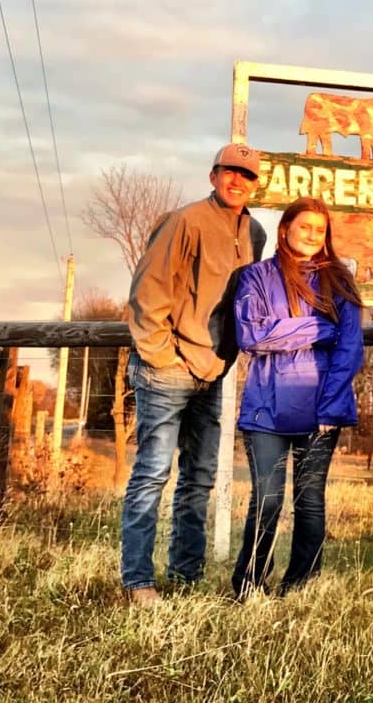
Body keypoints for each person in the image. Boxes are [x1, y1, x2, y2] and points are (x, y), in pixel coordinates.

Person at [121, 143, 267, 604]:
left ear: (255, 184)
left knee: (199, 477)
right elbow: (148, 291)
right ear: (213, 175)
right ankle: (138, 581)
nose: (237, 181)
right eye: (230, 172)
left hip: (213, 371)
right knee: (152, 473)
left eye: (247, 175)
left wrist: (227, 359)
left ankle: (185, 576)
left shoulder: (256, 233)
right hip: (168, 369)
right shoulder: (184, 221)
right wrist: (161, 355)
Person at [231, 197, 364, 598]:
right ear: (285, 228)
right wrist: (319, 329)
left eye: (320, 230)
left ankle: (300, 586)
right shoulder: (255, 277)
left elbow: (350, 348)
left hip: (321, 408)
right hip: (265, 409)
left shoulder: (339, 281)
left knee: (309, 501)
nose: (312, 235)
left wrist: (331, 406)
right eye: (304, 226)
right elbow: (251, 335)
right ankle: (250, 585)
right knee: (267, 500)